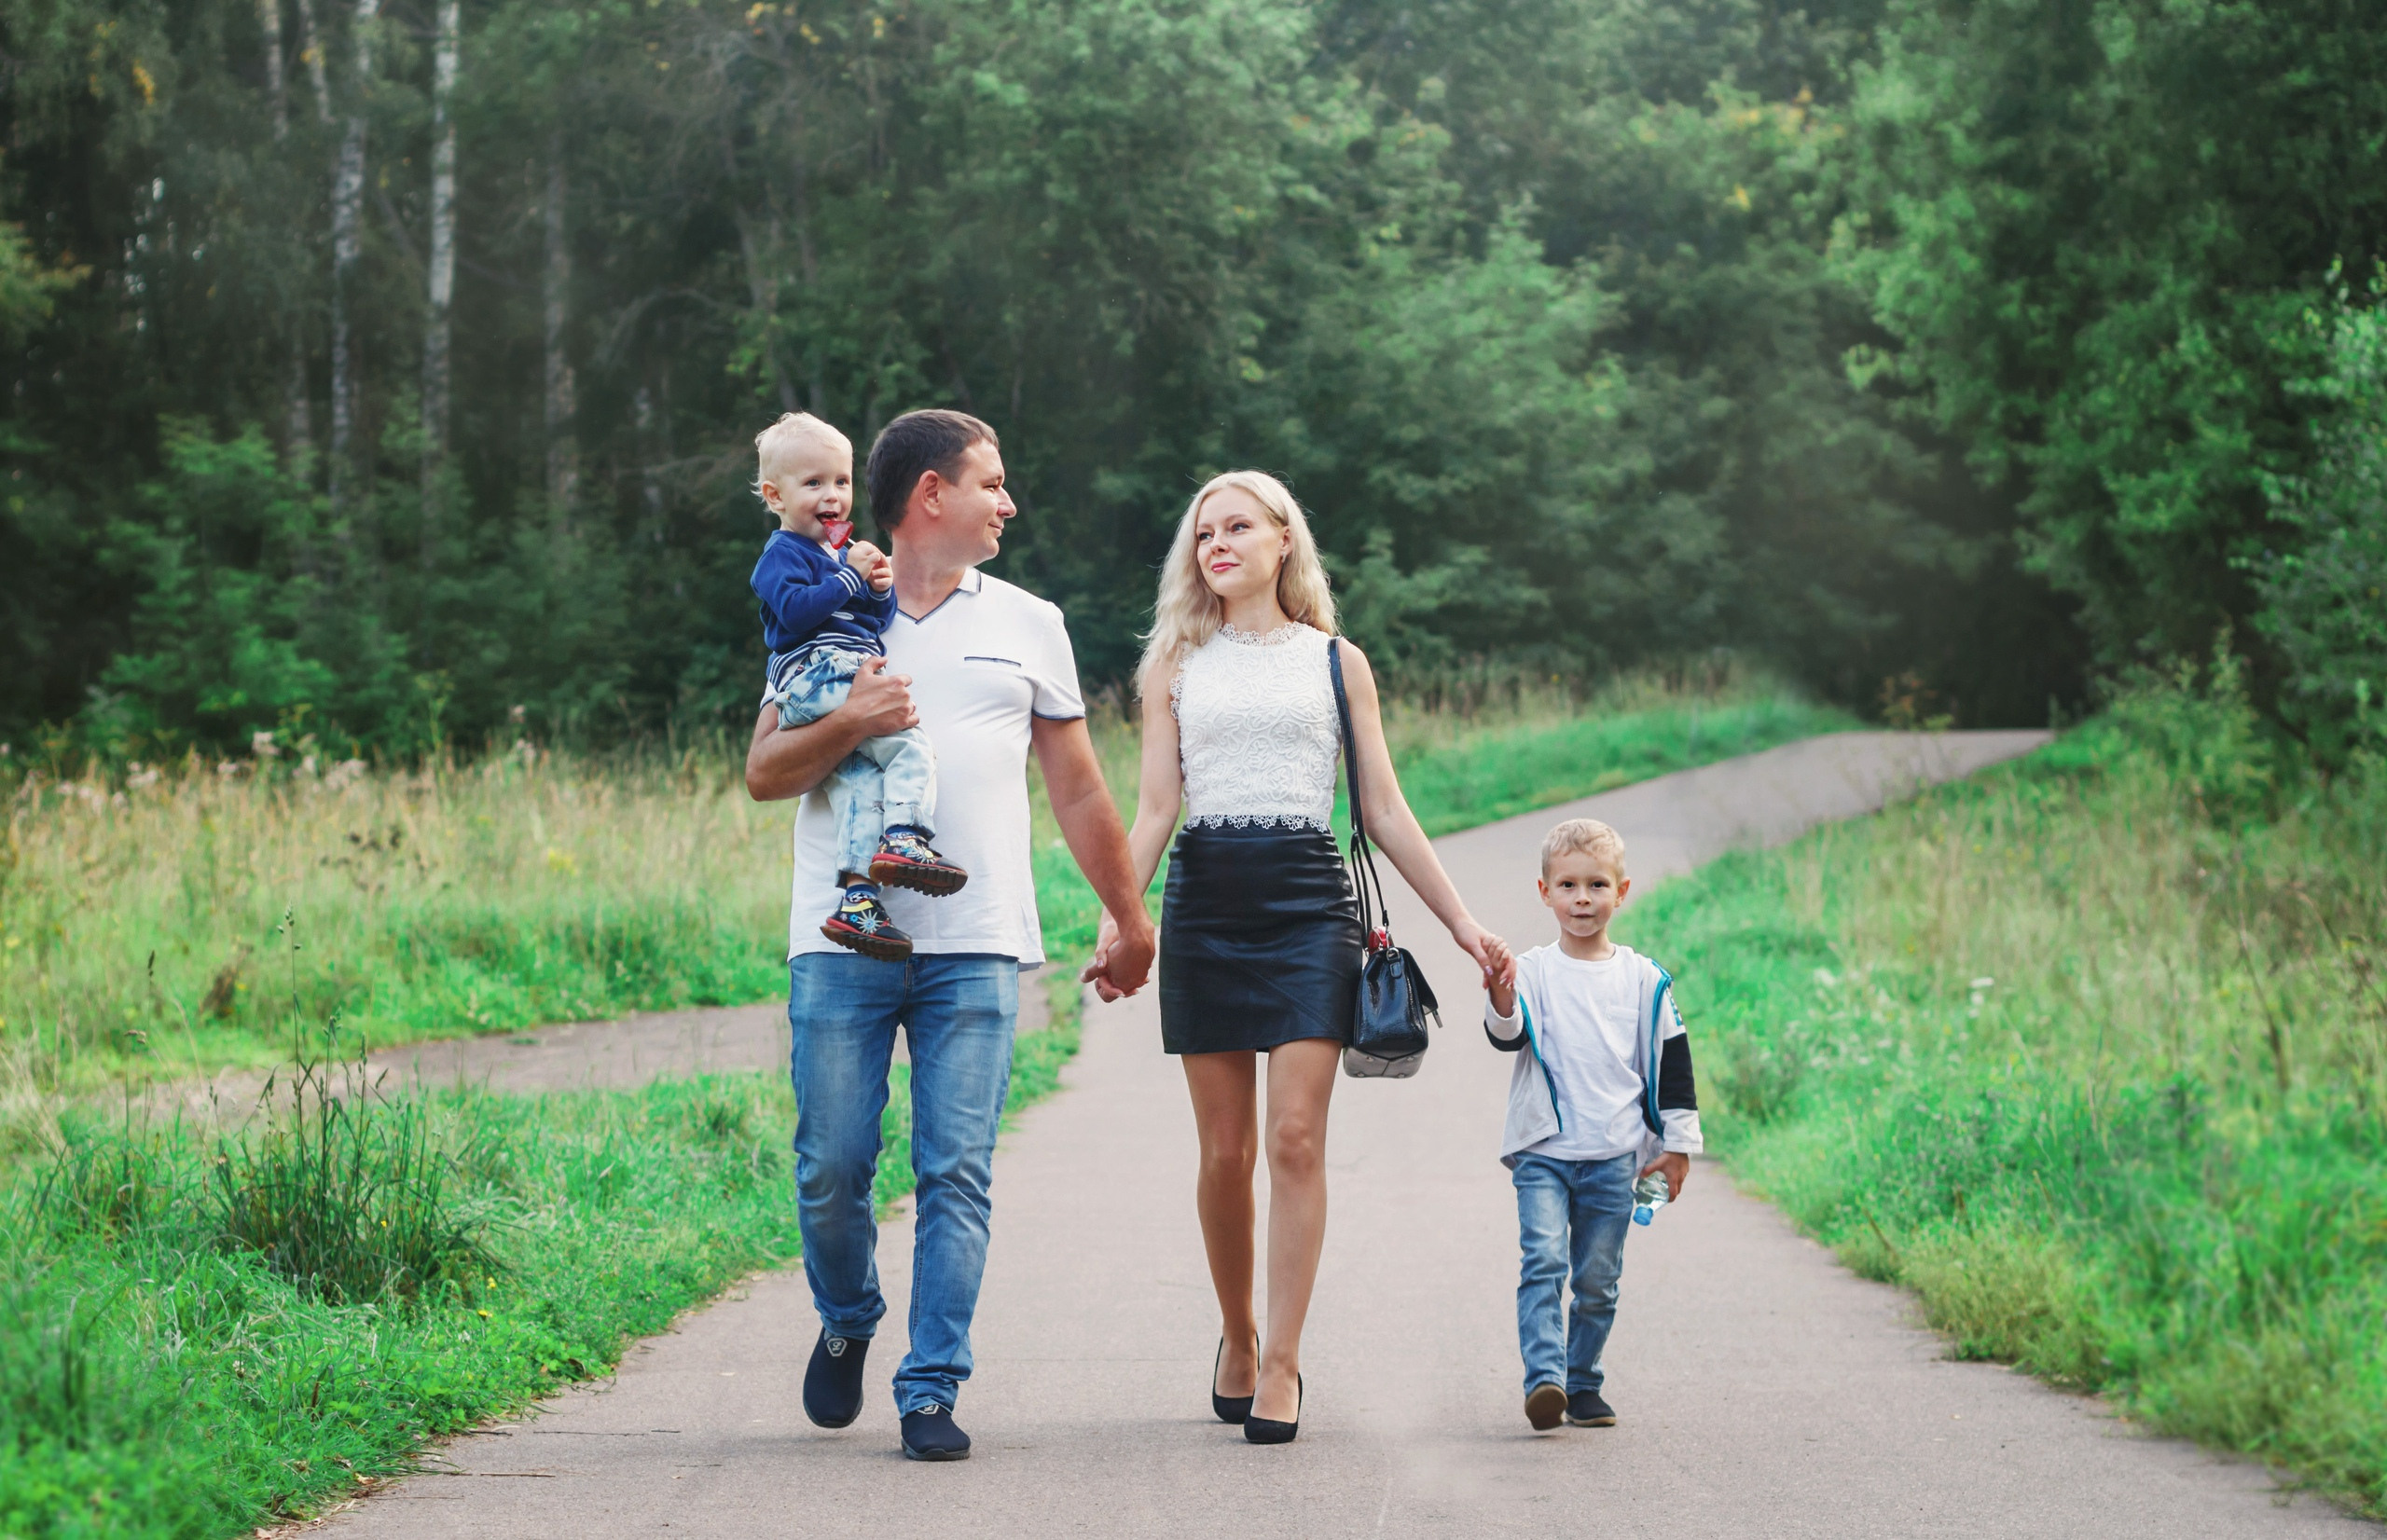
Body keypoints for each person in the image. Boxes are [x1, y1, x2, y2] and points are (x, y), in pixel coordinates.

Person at [744, 408, 1157, 1464]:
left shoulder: (1029, 620)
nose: (1008, 503)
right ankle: (848, 1314)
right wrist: (852, 721)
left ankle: (931, 1385)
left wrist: (1127, 912)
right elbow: (765, 772)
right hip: (842, 941)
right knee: (832, 1166)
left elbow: (1076, 786)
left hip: (974, 940)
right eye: (992, 483)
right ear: (933, 494)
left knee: (955, 1170)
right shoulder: (833, 601)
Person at [1091, 470, 1505, 1445]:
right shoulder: (1174, 666)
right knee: (1225, 1152)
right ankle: (1235, 1331)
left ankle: (1281, 1359)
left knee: (1295, 1140)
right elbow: (1154, 811)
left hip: (1307, 904)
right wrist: (1118, 921)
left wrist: (1459, 922)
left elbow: (1382, 809)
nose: (1217, 544)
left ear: (1285, 539)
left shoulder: (1336, 661)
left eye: (1237, 526)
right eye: (1203, 533)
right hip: (1205, 904)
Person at [1480, 818, 1703, 1432]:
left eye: (1597, 885)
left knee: (1599, 1280)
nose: (1583, 898)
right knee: (1545, 1263)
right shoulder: (1532, 971)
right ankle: (1545, 1379)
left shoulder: (1645, 980)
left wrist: (1678, 1148)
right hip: (1543, 1154)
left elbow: (1672, 1066)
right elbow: (1509, 1035)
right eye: (1569, 885)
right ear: (1545, 892)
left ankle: (1583, 1383)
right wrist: (1500, 995)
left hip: (1613, 1157)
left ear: (1622, 891)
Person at [748, 411, 966, 960]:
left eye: (841, 482)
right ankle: (906, 837)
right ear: (775, 496)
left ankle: (857, 901)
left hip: (834, 670)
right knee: (911, 746)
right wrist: (847, 576)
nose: (832, 496)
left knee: (861, 788)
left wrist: (877, 588)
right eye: (813, 483)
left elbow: (868, 620)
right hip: (817, 672)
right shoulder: (782, 555)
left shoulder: (833, 554)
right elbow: (796, 612)